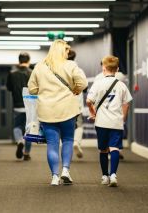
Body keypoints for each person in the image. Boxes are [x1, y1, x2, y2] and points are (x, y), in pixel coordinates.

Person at [28, 40, 88, 186]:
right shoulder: (71, 65)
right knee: (67, 140)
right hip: (67, 109)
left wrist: (44, 91)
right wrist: (76, 90)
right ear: (63, 51)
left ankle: (55, 176)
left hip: (47, 110)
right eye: (67, 51)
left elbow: (32, 89)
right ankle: (65, 171)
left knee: (52, 144)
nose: (68, 53)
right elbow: (83, 83)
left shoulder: (39, 67)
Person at [86, 55, 132, 187]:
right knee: (114, 148)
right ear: (117, 69)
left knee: (103, 150)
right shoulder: (121, 85)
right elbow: (126, 104)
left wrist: (92, 111)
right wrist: (122, 118)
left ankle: (104, 176)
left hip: (101, 122)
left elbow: (89, 100)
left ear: (103, 68)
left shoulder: (98, 83)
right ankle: (113, 175)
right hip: (116, 122)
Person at [94, 62, 129, 159]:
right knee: (116, 132)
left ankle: (107, 150)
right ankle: (115, 150)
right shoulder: (120, 76)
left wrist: (94, 112)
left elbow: (94, 97)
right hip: (117, 109)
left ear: (103, 67)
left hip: (103, 111)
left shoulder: (98, 78)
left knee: (104, 133)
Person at [6, 52, 33, 161]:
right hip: (30, 105)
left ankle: (19, 141)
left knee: (17, 126)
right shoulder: (32, 73)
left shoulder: (12, 73)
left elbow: (9, 88)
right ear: (28, 61)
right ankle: (26, 153)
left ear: (19, 61)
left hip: (17, 105)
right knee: (29, 129)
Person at [67, 49, 86, 159]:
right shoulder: (79, 70)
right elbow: (85, 86)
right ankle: (76, 142)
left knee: (66, 129)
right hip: (77, 104)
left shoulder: (60, 70)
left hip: (63, 104)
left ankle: (67, 151)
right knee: (78, 126)